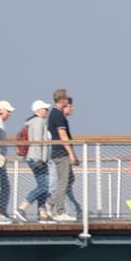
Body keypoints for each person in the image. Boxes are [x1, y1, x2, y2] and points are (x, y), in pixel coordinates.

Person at [46, 90, 80, 222]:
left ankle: (51, 202)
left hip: (60, 152)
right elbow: (63, 135)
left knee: (69, 179)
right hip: (61, 152)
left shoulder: (56, 114)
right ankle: (59, 210)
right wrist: (71, 154)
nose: (68, 101)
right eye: (66, 98)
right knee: (63, 181)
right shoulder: (57, 115)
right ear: (62, 99)